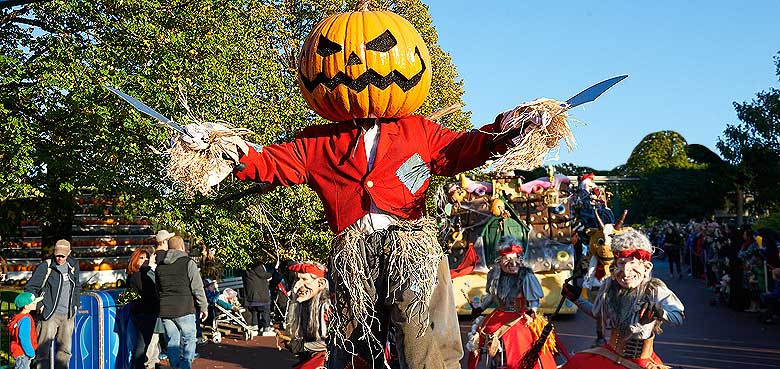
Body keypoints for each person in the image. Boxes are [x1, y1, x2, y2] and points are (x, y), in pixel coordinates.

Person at [561, 229, 684, 369]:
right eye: (621, 263)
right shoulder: (610, 287)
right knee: (576, 363)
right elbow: (598, 314)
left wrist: (659, 312)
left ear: (646, 267)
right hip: (610, 354)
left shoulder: (654, 290)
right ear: (614, 266)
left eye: (633, 263)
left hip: (640, 362)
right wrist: (576, 299)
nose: (626, 271)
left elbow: (678, 316)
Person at [466, 236, 556, 369]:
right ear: (500, 261)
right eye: (507, 259)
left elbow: (534, 299)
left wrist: (533, 310)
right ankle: (496, 363)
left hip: (521, 316)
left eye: (515, 259)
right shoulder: (495, 275)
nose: (512, 263)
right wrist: (480, 308)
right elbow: (491, 296)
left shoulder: (526, 276)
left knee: (520, 340)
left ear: (520, 259)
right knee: (485, 335)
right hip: (499, 314)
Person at [25, 239, 80, 369]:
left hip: (67, 315)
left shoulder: (73, 265)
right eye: (57, 255)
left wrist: (75, 304)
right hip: (49, 314)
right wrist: (40, 306)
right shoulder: (46, 266)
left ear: (69, 253)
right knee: (43, 352)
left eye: (63, 256)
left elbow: (77, 286)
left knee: (65, 352)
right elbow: (30, 288)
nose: (59, 258)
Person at [155, 236, 208, 369]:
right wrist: (203, 306)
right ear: (182, 247)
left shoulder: (160, 267)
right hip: (184, 307)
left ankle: (176, 365)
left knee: (172, 341)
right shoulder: (188, 263)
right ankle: (185, 366)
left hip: (166, 309)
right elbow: (197, 287)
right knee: (189, 339)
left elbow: (158, 289)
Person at [284, 261, 332, 369]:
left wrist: (303, 346)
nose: (297, 286)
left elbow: (331, 343)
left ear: (320, 284)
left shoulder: (326, 308)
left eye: (304, 280)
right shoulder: (303, 305)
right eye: (297, 279)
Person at [126, 247, 160, 369]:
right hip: (145, 313)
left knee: (144, 344)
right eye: (141, 258)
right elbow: (148, 294)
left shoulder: (138, 274)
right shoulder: (138, 275)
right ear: (135, 260)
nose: (145, 260)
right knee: (142, 345)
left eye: (146, 257)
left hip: (142, 312)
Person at [8, 292, 43, 369]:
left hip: (19, 352)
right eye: (33, 303)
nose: (35, 304)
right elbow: (24, 338)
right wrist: (30, 353)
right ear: (26, 306)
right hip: (23, 353)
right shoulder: (25, 319)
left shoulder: (18, 317)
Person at [242, 261, 274, 336]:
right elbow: (264, 275)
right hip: (259, 293)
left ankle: (255, 326)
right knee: (265, 310)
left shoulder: (248, 267)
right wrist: (272, 271)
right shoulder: (257, 266)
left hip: (251, 294)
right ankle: (266, 327)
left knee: (254, 311)